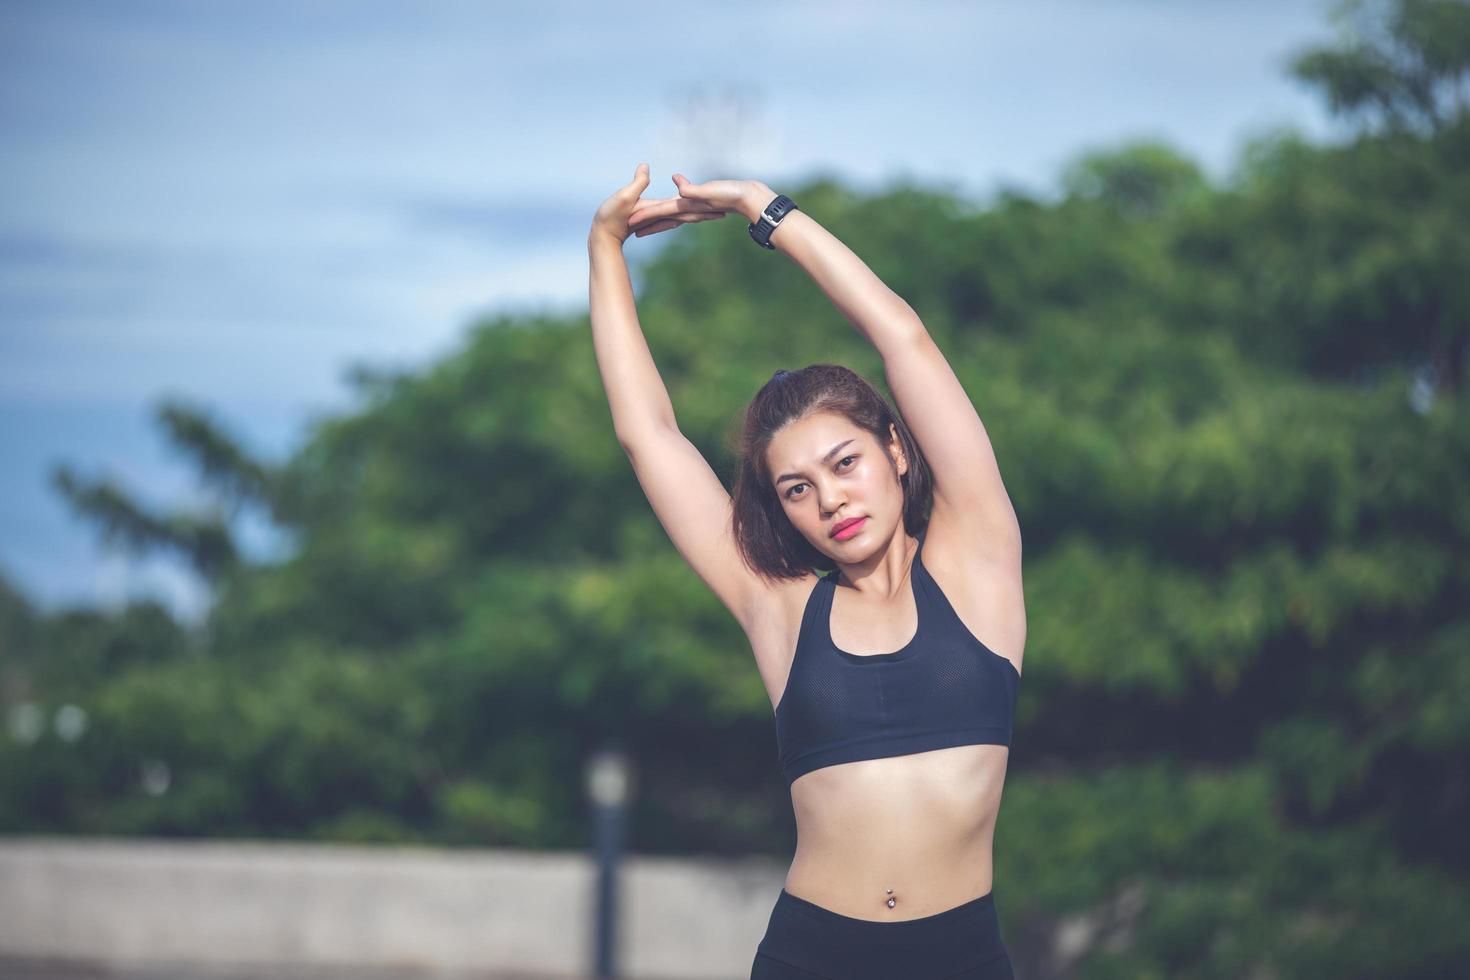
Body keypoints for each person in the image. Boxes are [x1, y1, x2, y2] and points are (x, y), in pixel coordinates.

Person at [588, 164, 1025, 980]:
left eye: (845, 463)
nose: (831, 499)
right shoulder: (779, 607)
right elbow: (648, 435)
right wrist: (607, 248)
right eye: (798, 487)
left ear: (895, 450)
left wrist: (765, 209)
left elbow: (903, 337)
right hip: (812, 956)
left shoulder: (979, 561)